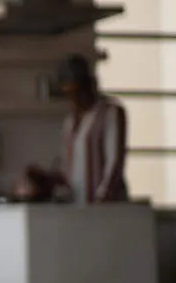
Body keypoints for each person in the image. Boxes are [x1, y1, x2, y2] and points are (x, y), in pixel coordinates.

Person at [25, 53, 129, 204]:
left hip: (106, 209)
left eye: (79, 92)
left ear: (91, 84)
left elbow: (114, 163)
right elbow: (68, 171)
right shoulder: (70, 122)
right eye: (69, 94)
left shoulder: (110, 113)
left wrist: (103, 200)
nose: (75, 99)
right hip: (78, 209)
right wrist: (47, 179)